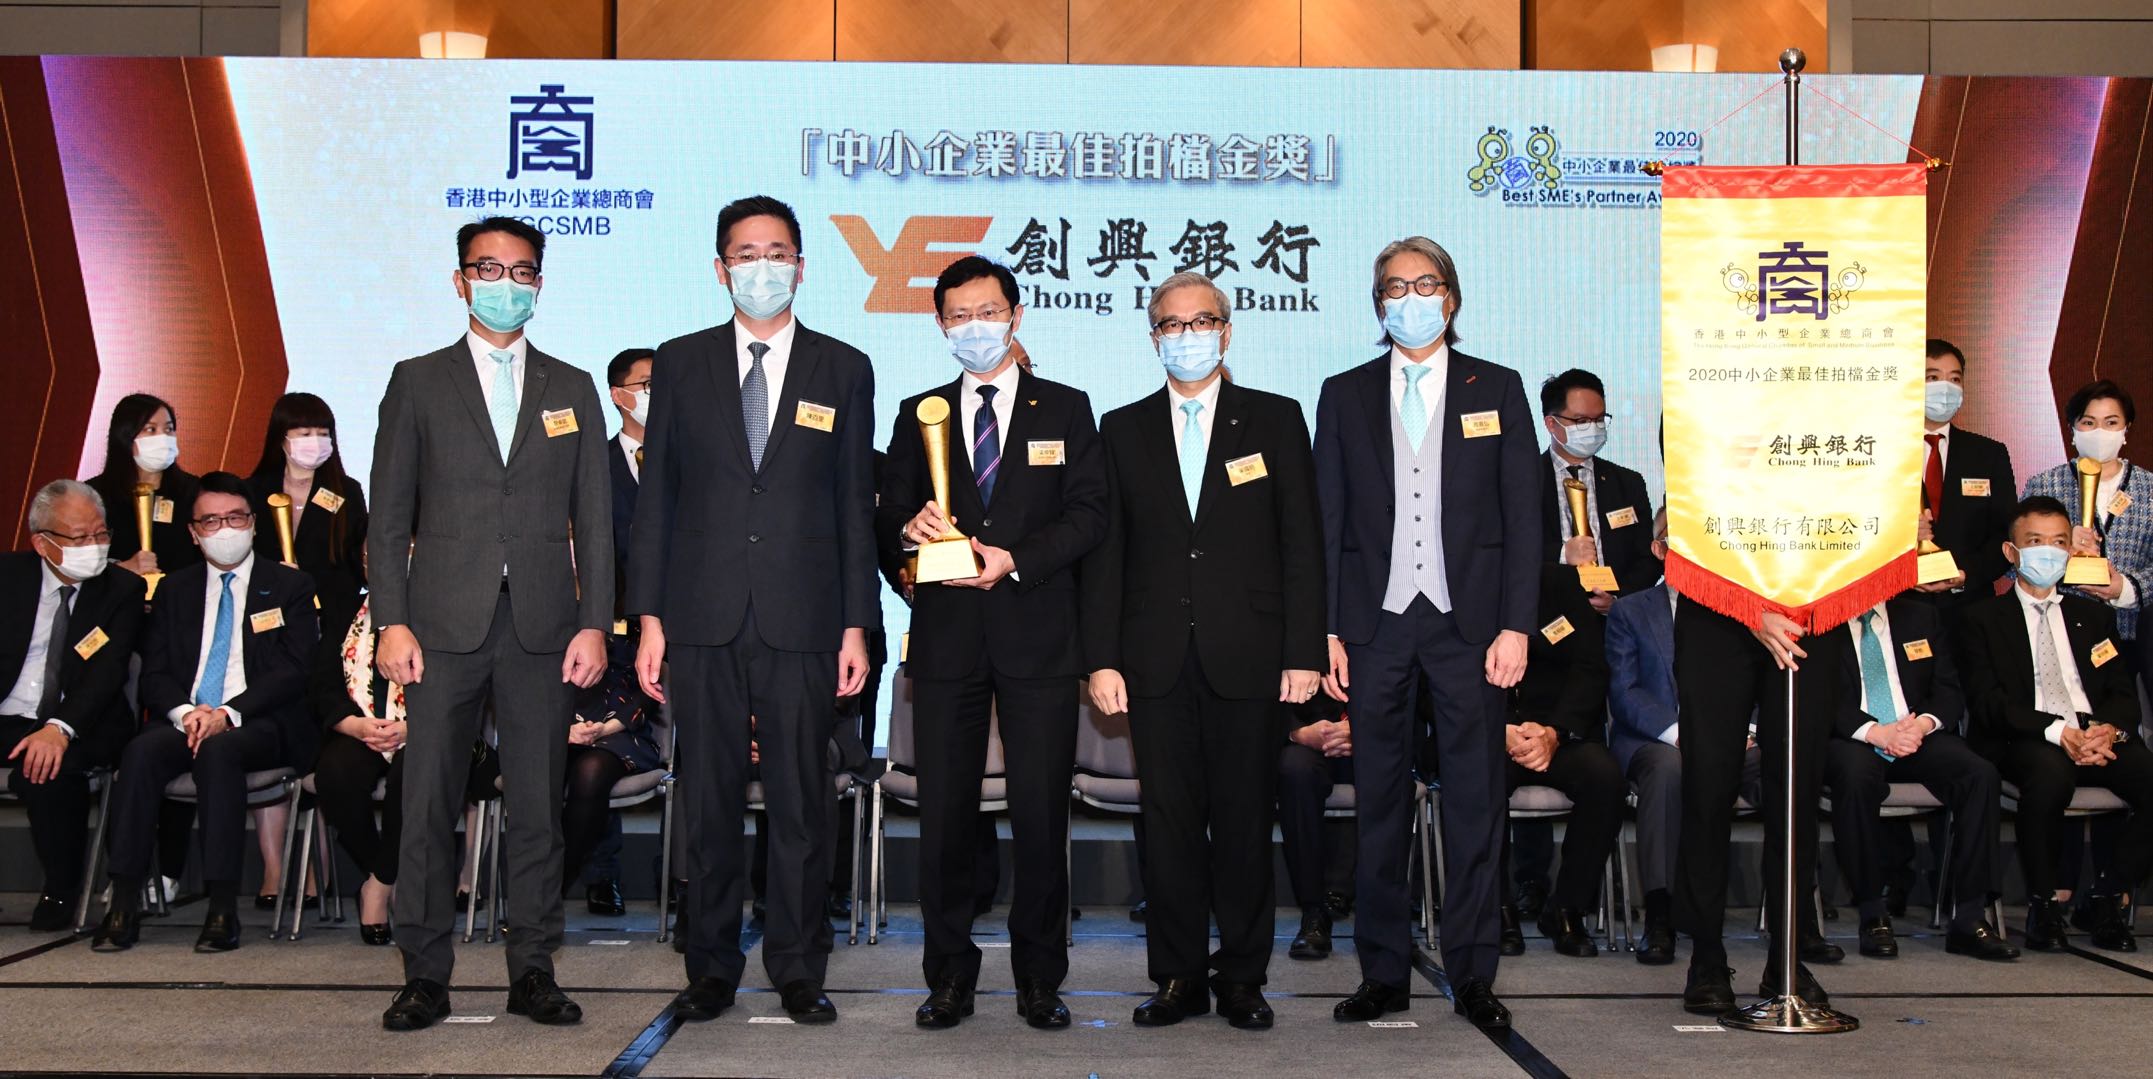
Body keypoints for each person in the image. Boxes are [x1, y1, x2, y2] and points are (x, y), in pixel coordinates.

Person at [630, 195, 875, 1026]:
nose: (760, 267)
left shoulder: (843, 367)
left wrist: (855, 623)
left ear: (800, 267)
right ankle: (709, 965)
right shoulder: (680, 361)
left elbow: (853, 505)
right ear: (719, 267)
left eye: (776, 252)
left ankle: (799, 965)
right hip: (700, 616)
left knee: (803, 803)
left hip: (805, 619)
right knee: (710, 799)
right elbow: (657, 500)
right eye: (745, 253)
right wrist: (649, 618)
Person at [370, 216, 613, 1030]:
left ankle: (533, 967)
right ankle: (423, 973)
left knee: (539, 805)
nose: (505, 284)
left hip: (544, 626)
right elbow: (387, 517)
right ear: (460, 280)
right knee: (427, 802)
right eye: (488, 268)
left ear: (539, 284)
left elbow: (596, 521)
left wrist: (595, 622)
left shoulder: (571, 385)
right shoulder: (417, 380)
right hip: (439, 624)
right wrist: (391, 620)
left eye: (521, 271)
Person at [1081, 271, 1322, 1029]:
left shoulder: (1276, 418)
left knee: (1245, 822)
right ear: (1153, 336)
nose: (1187, 337)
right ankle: (1177, 975)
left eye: (1201, 322)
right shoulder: (1122, 428)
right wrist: (1101, 657)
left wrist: (1304, 650)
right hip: (1152, 660)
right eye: (1171, 325)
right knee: (1169, 825)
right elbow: (1107, 556)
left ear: (1227, 329)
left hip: (1248, 654)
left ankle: (1243, 977)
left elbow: (1301, 543)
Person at [1314, 236, 1537, 1030]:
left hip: (1467, 626)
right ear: (1378, 303)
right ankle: (1382, 971)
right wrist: (1327, 629)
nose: (1410, 298)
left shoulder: (1496, 387)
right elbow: (1328, 519)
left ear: (1450, 296)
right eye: (1395, 286)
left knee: (1475, 801)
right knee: (1378, 804)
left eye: (1425, 283)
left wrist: (1515, 624)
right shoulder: (1343, 393)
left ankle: (1473, 973)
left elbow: (1523, 516)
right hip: (1373, 627)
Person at [883, 255, 1105, 1031]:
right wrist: (906, 535)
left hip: (1037, 636)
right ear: (939, 323)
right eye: (958, 315)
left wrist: (1015, 559)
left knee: (1040, 815)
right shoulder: (918, 411)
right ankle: (948, 975)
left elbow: (1089, 514)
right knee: (945, 818)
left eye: (987, 311)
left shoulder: (1066, 408)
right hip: (946, 640)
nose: (974, 326)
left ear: (1015, 314)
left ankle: (1040, 977)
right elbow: (887, 518)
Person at [89, 472, 318, 953]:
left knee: (220, 753)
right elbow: (155, 673)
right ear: (193, 533)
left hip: (261, 722)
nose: (225, 529)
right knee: (140, 753)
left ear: (254, 523)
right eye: (211, 521)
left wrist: (228, 713)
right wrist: (186, 713)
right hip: (189, 718)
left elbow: (293, 671)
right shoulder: (175, 589)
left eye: (235, 517)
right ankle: (124, 899)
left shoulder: (290, 585)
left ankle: (221, 906)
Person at [1959, 496, 2152, 952]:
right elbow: (1989, 703)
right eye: (2035, 542)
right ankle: (2043, 903)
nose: (2048, 551)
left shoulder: (2094, 616)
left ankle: (2107, 896)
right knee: (2049, 776)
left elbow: (2122, 692)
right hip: (2024, 737)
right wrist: (2057, 731)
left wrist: (2108, 731)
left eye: (2059, 542)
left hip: (2093, 733)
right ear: (2011, 552)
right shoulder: (1980, 619)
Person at [1673, 542, 1851, 1008]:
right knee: (1708, 789)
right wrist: (1750, 610)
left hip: (1811, 599)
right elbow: (1693, 519)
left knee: (1797, 790)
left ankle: (1787, 958)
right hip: (1716, 599)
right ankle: (1706, 958)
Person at [1510, 368, 1660, 912]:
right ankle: (1528, 879)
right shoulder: (1519, 477)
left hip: (1612, 632)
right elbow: (1502, 553)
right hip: (1540, 635)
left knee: (1591, 754)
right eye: (1580, 420)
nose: (1592, 428)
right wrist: (1560, 560)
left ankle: (1585, 890)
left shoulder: (1627, 483)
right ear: (1551, 422)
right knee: (1532, 743)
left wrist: (1619, 598)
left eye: (1600, 419)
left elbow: (1648, 559)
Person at [309, 546, 498, 946]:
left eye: (406, 551)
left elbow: (469, 690)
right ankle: (387, 873)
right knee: (335, 775)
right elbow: (323, 684)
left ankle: (377, 887)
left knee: (414, 774)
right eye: (372, 555)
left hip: (434, 731)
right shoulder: (345, 611)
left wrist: (414, 728)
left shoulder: (450, 612)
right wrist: (355, 725)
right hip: (360, 727)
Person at [1819, 595, 2017, 960]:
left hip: (1915, 732)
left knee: (1979, 775)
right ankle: (1872, 911)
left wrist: (1921, 726)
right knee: (1855, 776)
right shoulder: (1821, 616)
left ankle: (1970, 916)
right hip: (1852, 736)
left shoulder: (1920, 615)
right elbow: (1816, 695)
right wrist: (1876, 732)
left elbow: (1948, 689)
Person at [1604, 511, 1761, 965]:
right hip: (1655, 740)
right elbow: (1625, 691)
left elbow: (1758, 681)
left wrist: (1746, 729)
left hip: (1734, 737)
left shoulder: (1738, 607)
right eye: (1679, 539)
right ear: (1659, 549)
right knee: (1669, 769)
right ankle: (1661, 913)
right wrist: (1680, 735)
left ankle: (1796, 913)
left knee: (1785, 763)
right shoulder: (1631, 610)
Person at [2, 480, 145, 931]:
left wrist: (59, 727)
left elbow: (109, 673)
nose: (95, 546)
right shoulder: (7, 579)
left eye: (101, 534)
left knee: (48, 768)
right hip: (10, 714)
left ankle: (60, 890)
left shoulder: (121, 589)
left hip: (86, 720)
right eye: (80, 537)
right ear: (42, 543)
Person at [245, 391, 368, 910]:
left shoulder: (345, 492)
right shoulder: (252, 492)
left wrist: (309, 585)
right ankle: (275, 866)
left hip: (328, 634)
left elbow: (356, 569)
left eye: (322, 433)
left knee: (319, 743)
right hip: (267, 636)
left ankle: (317, 863)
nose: (314, 442)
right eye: (302, 433)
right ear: (281, 437)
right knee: (276, 739)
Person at [1497, 570, 1623, 959]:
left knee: (1604, 778)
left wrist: (1555, 732)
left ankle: (1567, 908)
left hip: (1556, 733)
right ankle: (1495, 908)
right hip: (1486, 734)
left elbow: (1591, 667)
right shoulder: (1461, 582)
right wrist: (1498, 729)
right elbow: (1440, 677)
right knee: (1476, 777)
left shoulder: (1562, 585)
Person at [580, 347, 657, 918]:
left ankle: (683, 880)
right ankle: (600, 874)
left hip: (688, 628)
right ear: (619, 394)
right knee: (597, 743)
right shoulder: (591, 464)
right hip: (610, 631)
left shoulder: (693, 457)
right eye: (648, 384)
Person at [2023, 380, 2150, 679]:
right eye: (2089, 422)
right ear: (2073, 429)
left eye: (2111, 422)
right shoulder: (2043, 485)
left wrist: (2126, 588)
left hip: (2133, 632)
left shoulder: (2149, 488)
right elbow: (2013, 562)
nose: (2100, 432)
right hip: (2056, 627)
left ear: (2126, 429)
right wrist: (2059, 550)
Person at [1915, 340, 2016, 610]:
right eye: (1932, 377)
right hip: (1898, 607)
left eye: (1955, 379)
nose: (1945, 388)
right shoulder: (1880, 451)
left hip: (1970, 607)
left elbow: (2006, 533)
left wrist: (1963, 575)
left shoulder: (1989, 454)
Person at [85, 392, 202, 585]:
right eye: (150, 429)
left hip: (178, 597)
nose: (163, 438)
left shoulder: (194, 491)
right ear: (126, 436)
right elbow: (78, 562)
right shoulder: (93, 495)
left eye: (169, 429)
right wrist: (119, 569)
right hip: (117, 597)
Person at [1277, 695, 1355, 960]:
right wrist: (1296, 732)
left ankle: (1388, 919)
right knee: (1295, 769)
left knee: (1388, 773)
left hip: (1375, 731)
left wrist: (1362, 728)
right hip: (1302, 731)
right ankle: (1314, 912)